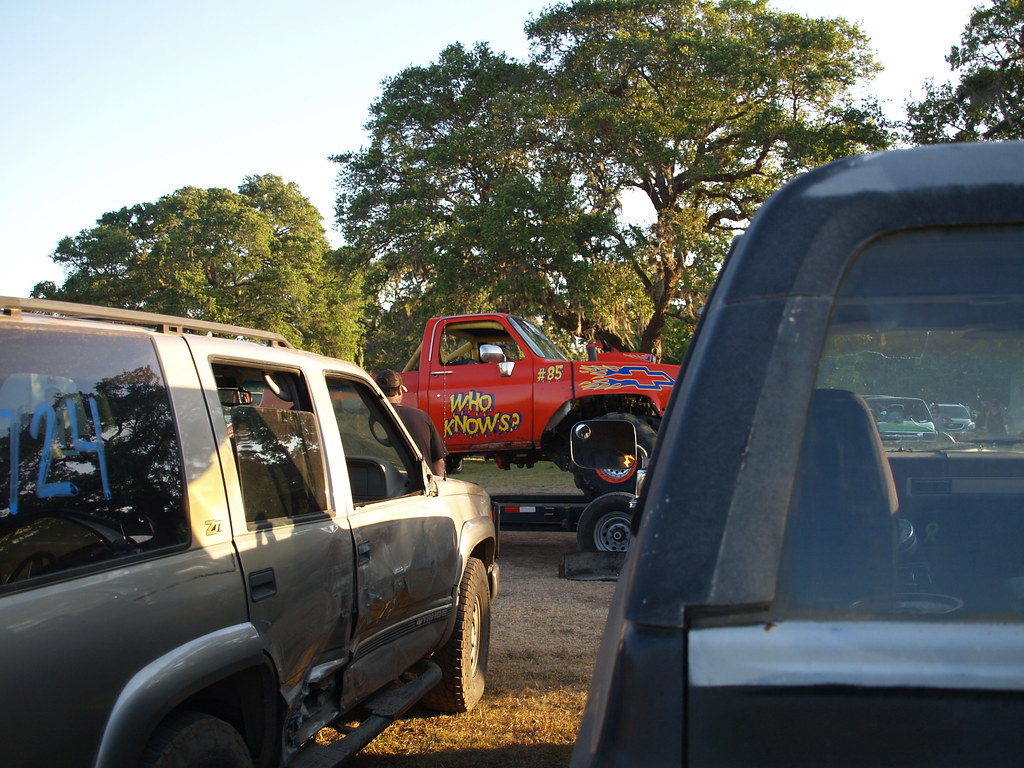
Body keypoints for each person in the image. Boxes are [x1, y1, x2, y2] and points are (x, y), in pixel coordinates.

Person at [375, 369, 447, 477]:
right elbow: (438, 461)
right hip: (418, 484)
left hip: (378, 483)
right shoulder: (421, 417)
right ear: (400, 390)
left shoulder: (370, 418)